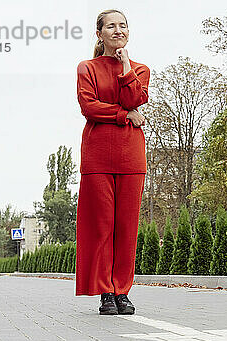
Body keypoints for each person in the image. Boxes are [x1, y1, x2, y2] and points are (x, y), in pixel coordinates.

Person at [74, 9, 150, 315]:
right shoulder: (87, 68)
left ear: (128, 32)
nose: (118, 30)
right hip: (97, 157)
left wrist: (125, 65)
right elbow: (88, 107)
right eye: (111, 26)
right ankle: (106, 291)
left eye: (123, 26)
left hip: (131, 156)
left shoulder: (140, 69)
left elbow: (135, 99)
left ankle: (123, 291)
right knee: (102, 226)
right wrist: (122, 115)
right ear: (99, 34)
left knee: (127, 228)